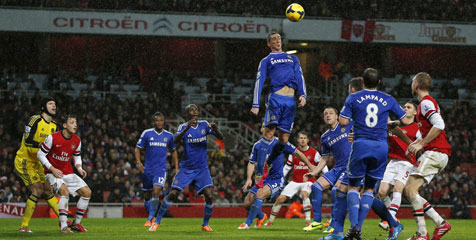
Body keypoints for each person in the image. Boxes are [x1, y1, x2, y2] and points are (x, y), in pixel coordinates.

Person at [339, 68, 408, 240]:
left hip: (361, 144)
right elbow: (405, 120)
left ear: (362, 81)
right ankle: (358, 228)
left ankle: (354, 226)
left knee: (353, 187)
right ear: (379, 82)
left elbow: (343, 121)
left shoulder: (353, 97)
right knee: (369, 189)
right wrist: (391, 122)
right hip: (380, 147)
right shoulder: (388, 99)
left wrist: (357, 117)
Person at [149, 104, 223, 232]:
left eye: (196, 109)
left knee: (209, 196)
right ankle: (156, 222)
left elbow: (221, 138)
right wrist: (186, 129)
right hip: (186, 168)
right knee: (173, 194)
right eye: (191, 109)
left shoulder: (204, 124)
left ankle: (205, 224)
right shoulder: (182, 127)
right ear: (186, 114)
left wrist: (216, 130)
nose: (194, 111)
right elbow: (174, 141)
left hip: (201, 168)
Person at [251, 32, 307, 182]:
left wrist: (302, 94)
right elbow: (259, 80)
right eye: (274, 39)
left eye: (279, 39)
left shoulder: (292, 58)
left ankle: (267, 164)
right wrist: (255, 103)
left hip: (290, 101)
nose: (277, 41)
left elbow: (299, 76)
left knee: (283, 139)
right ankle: (259, 172)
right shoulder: (267, 60)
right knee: (268, 134)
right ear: (269, 44)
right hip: (276, 98)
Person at [405, 72, 452, 240]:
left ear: (416, 85)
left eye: (412, 82)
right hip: (438, 152)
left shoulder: (425, 103)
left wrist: (422, 143)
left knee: (410, 189)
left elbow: (439, 124)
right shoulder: (426, 104)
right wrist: (416, 143)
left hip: (436, 151)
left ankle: (422, 234)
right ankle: (440, 223)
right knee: (411, 190)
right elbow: (427, 128)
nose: (411, 85)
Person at [238, 131, 315, 230]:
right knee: (247, 203)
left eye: (269, 128)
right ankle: (261, 216)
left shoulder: (281, 143)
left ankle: (247, 223)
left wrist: (309, 165)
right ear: (262, 129)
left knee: (260, 194)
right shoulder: (257, 145)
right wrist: (249, 178)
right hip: (262, 179)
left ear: (273, 130)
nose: (267, 130)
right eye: (264, 127)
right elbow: (251, 162)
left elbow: (298, 153)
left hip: (276, 180)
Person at [37, 114, 91, 233]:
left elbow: (77, 157)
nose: (75, 125)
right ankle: (63, 226)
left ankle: (76, 224)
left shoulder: (77, 140)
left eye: (76, 123)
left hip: (67, 172)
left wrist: (80, 168)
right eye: (72, 122)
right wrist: (52, 168)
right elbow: (40, 154)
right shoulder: (53, 137)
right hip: (51, 173)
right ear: (64, 125)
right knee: (64, 192)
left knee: (87, 192)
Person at [14, 96, 60, 233]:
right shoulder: (34, 120)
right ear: (43, 107)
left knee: (48, 190)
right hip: (25, 160)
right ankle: (24, 226)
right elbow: (28, 141)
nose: (54, 105)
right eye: (50, 103)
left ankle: (65, 221)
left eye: (55, 103)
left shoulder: (55, 126)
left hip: (38, 163)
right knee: (37, 190)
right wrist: (43, 146)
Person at [265, 131, 326, 227]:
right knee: (280, 199)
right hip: (295, 181)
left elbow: (322, 165)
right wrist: (280, 179)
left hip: (309, 181)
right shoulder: (293, 152)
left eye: (304, 138)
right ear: (297, 140)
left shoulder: (314, 152)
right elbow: (287, 167)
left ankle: (308, 221)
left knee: (305, 194)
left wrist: (326, 176)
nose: (302, 140)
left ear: (308, 140)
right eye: (301, 138)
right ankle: (270, 221)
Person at [378, 100, 421, 230]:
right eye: (404, 107)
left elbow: (420, 146)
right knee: (382, 192)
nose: (405, 108)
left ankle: (390, 218)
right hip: (392, 162)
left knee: (397, 189)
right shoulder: (395, 126)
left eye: (408, 107)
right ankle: (393, 218)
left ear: (415, 112)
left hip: (407, 162)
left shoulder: (417, 129)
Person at [135, 112, 178, 227]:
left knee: (157, 190)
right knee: (147, 195)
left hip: (161, 169)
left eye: (161, 120)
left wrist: (176, 167)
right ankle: (152, 216)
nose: (159, 122)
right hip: (147, 169)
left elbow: (174, 151)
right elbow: (137, 149)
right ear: (153, 122)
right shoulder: (147, 133)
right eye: (157, 120)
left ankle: (149, 219)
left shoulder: (169, 136)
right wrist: (139, 164)